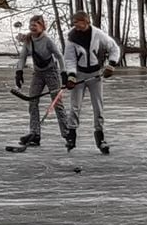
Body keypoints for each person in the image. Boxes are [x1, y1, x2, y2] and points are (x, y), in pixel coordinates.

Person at [63, 11, 121, 154]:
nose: (75, 25)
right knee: (75, 106)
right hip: (79, 75)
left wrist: (111, 64)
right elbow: (69, 58)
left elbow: (114, 48)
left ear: (86, 21)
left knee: (98, 107)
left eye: (78, 22)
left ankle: (100, 137)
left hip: (95, 75)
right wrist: (71, 76)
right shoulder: (72, 38)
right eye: (74, 23)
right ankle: (71, 135)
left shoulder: (98, 34)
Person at [13, 14, 69, 148]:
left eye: (36, 24)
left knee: (57, 103)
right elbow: (22, 57)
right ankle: (35, 134)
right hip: (38, 73)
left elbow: (59, 56)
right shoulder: (28, 40)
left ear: (42, 26)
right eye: (31, 24)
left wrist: (64, 73)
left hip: (51, 72)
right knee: (32, 102)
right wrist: (19, 72)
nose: (33, 26)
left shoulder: (47, 40)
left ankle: (67, 134)